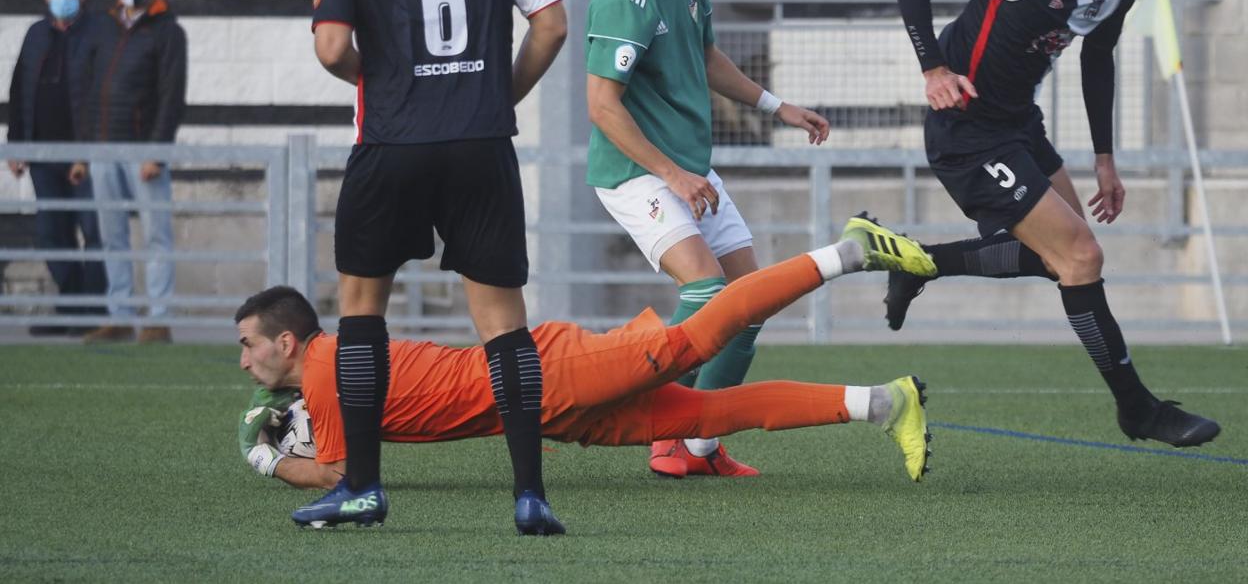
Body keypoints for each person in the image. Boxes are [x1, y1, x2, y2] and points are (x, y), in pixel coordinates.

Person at [235, 221, 937, 529]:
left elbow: (339, 479)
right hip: (544, 411)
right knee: (706, 417)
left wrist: (267, 458)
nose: (243, 362)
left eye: (248, 345)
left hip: (549, 377)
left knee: (698, 340)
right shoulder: (327, 370)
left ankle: (850, 251)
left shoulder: (326, 370)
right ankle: (885, 403)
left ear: (287, 341)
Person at [305, 0, 568, 534]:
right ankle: (529, 496)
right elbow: (550, 25)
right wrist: (495, 95)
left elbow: (330, 49)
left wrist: (383, 79)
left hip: (391, 142)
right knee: (503, 322)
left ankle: (361, 487)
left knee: (362, 307)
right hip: (481, 143)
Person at [888, 0, 1219, 448]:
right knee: (1081, 256)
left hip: (1018, 127)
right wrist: (934, 67)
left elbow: (1098, 62)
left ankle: (920, 263)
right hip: (964, 131)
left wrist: (1105, 158)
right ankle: (1138, 410)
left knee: (1060, 258)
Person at [585, 0, 832, 478]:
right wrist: (671, 174)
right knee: (706, 291)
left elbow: (705, 55)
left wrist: (778, 107)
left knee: (751, 303)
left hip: (688, 169)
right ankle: (642, 412)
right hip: (634, 172)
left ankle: (698, 444)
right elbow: (601, 105)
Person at [72, 0, 187, 345]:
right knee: (111, 235)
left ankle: (157, 319)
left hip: (144, 149)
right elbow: (87, 90)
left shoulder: (168, 30)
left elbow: (172, 96)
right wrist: (84, 151)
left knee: (156, 235)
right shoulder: (102, 28)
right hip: (104, 147)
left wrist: (157, 151)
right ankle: (118, 315)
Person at [7, 0, 107, 334]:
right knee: (53, 232)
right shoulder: (35, 34)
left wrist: (91, 150)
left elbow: (102, 94)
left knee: (94, 231)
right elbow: (19, 91)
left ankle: (92, 313)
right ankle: (69, 307)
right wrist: (15, 145)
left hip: (88, 155)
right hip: (43, 154)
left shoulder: (99, 32)